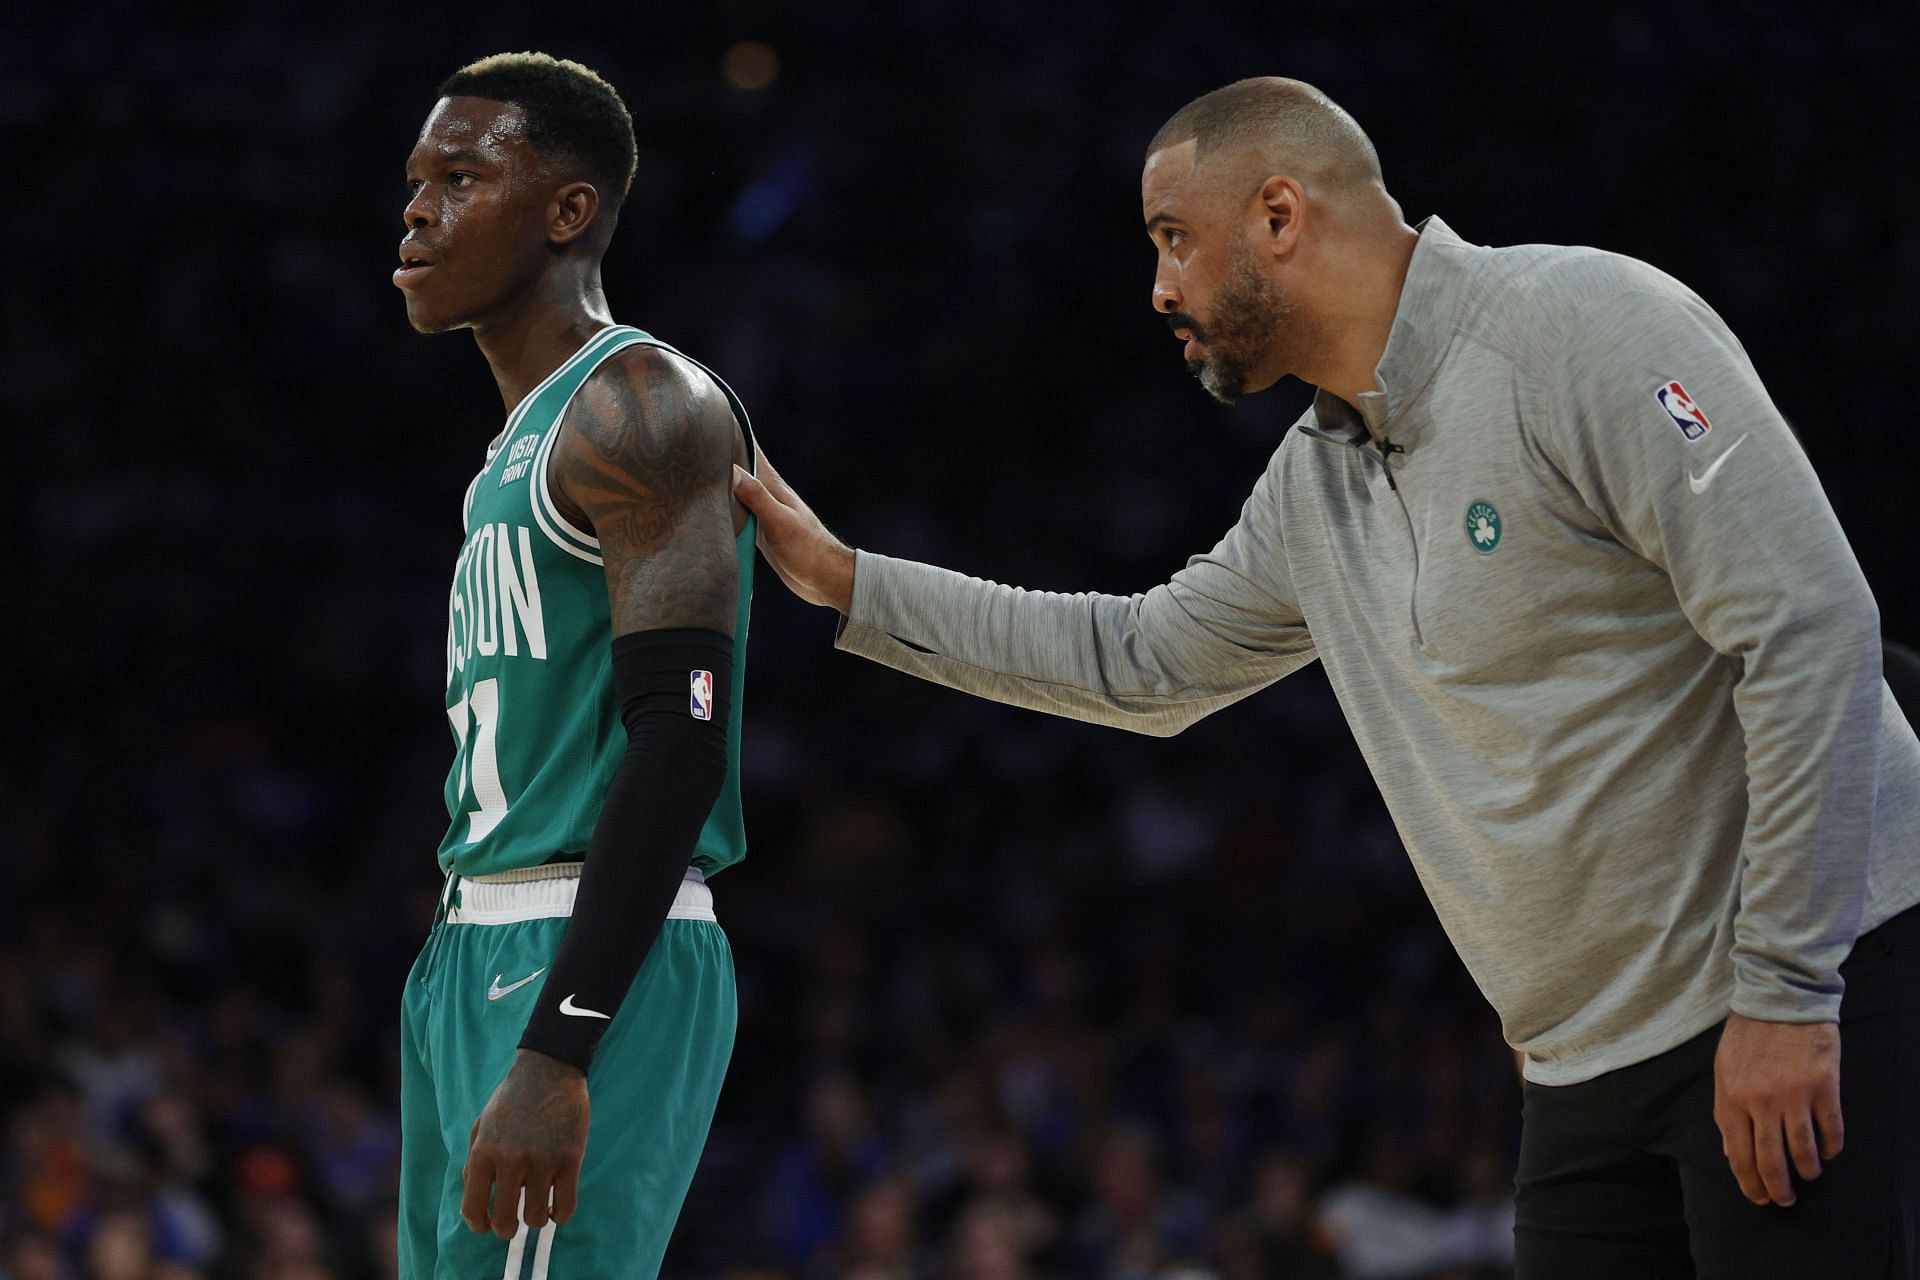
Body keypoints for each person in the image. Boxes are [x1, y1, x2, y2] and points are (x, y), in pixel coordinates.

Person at [732, 77, 1920, 1278]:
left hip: (1798, 990)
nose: (1159, 289)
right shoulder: (1316, 482)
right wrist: (851, 584)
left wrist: (1785, 986)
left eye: (1173, 238)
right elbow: (1142, 659)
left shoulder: (1582, 325)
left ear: (1281, 216)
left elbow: (1810, 624)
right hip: (1583, 1068)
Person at [392, 53, 758, 1280]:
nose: (418, 209)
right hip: (471, 938)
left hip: (581, 951)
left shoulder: (640, 405)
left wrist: (561, 1043)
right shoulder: (516, 444)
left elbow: (682, 737)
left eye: (459, 176)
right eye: (414, 182)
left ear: (569, 210)